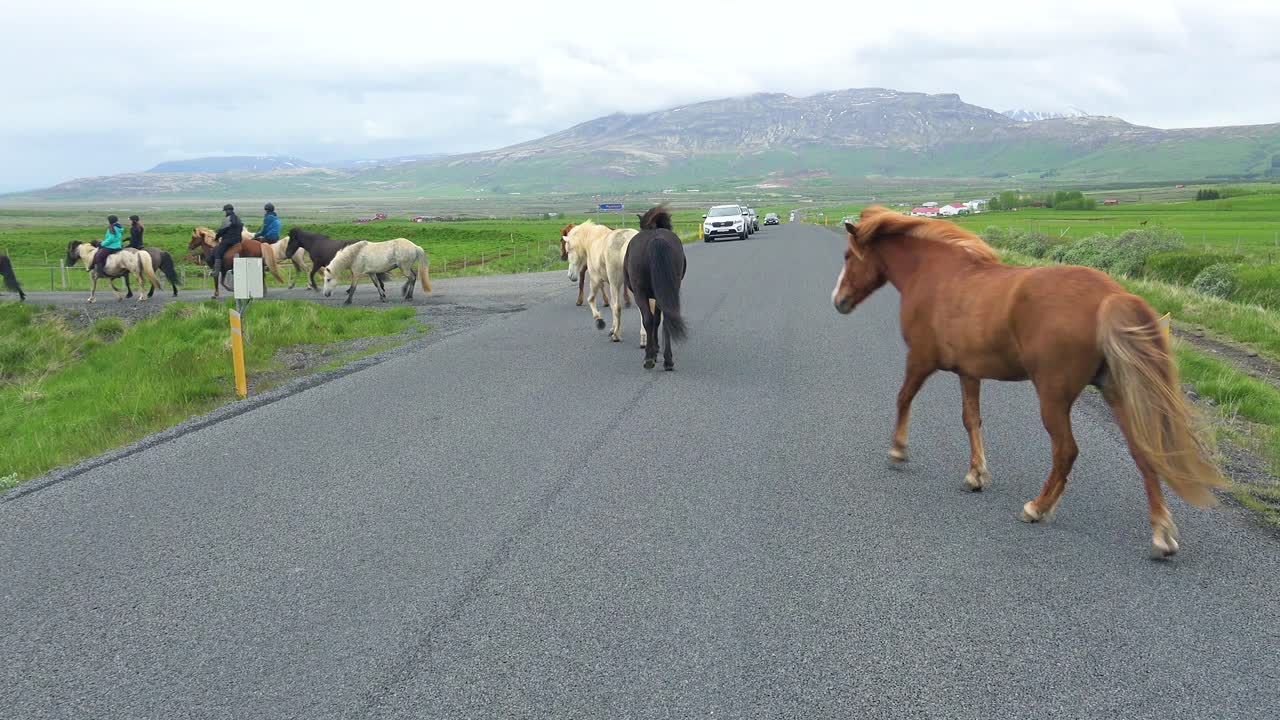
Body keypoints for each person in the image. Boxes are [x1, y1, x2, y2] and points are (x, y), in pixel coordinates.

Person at [210, 203, 243, 277]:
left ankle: (216, 272)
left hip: (228, 241)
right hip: (237, 241)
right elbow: (241, 229)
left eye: (225, 211)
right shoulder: (238, 219)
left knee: (218, 252)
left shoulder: (227, 219)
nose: (225, 212)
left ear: (228, 211)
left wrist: (217, 237)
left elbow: (222, 230)